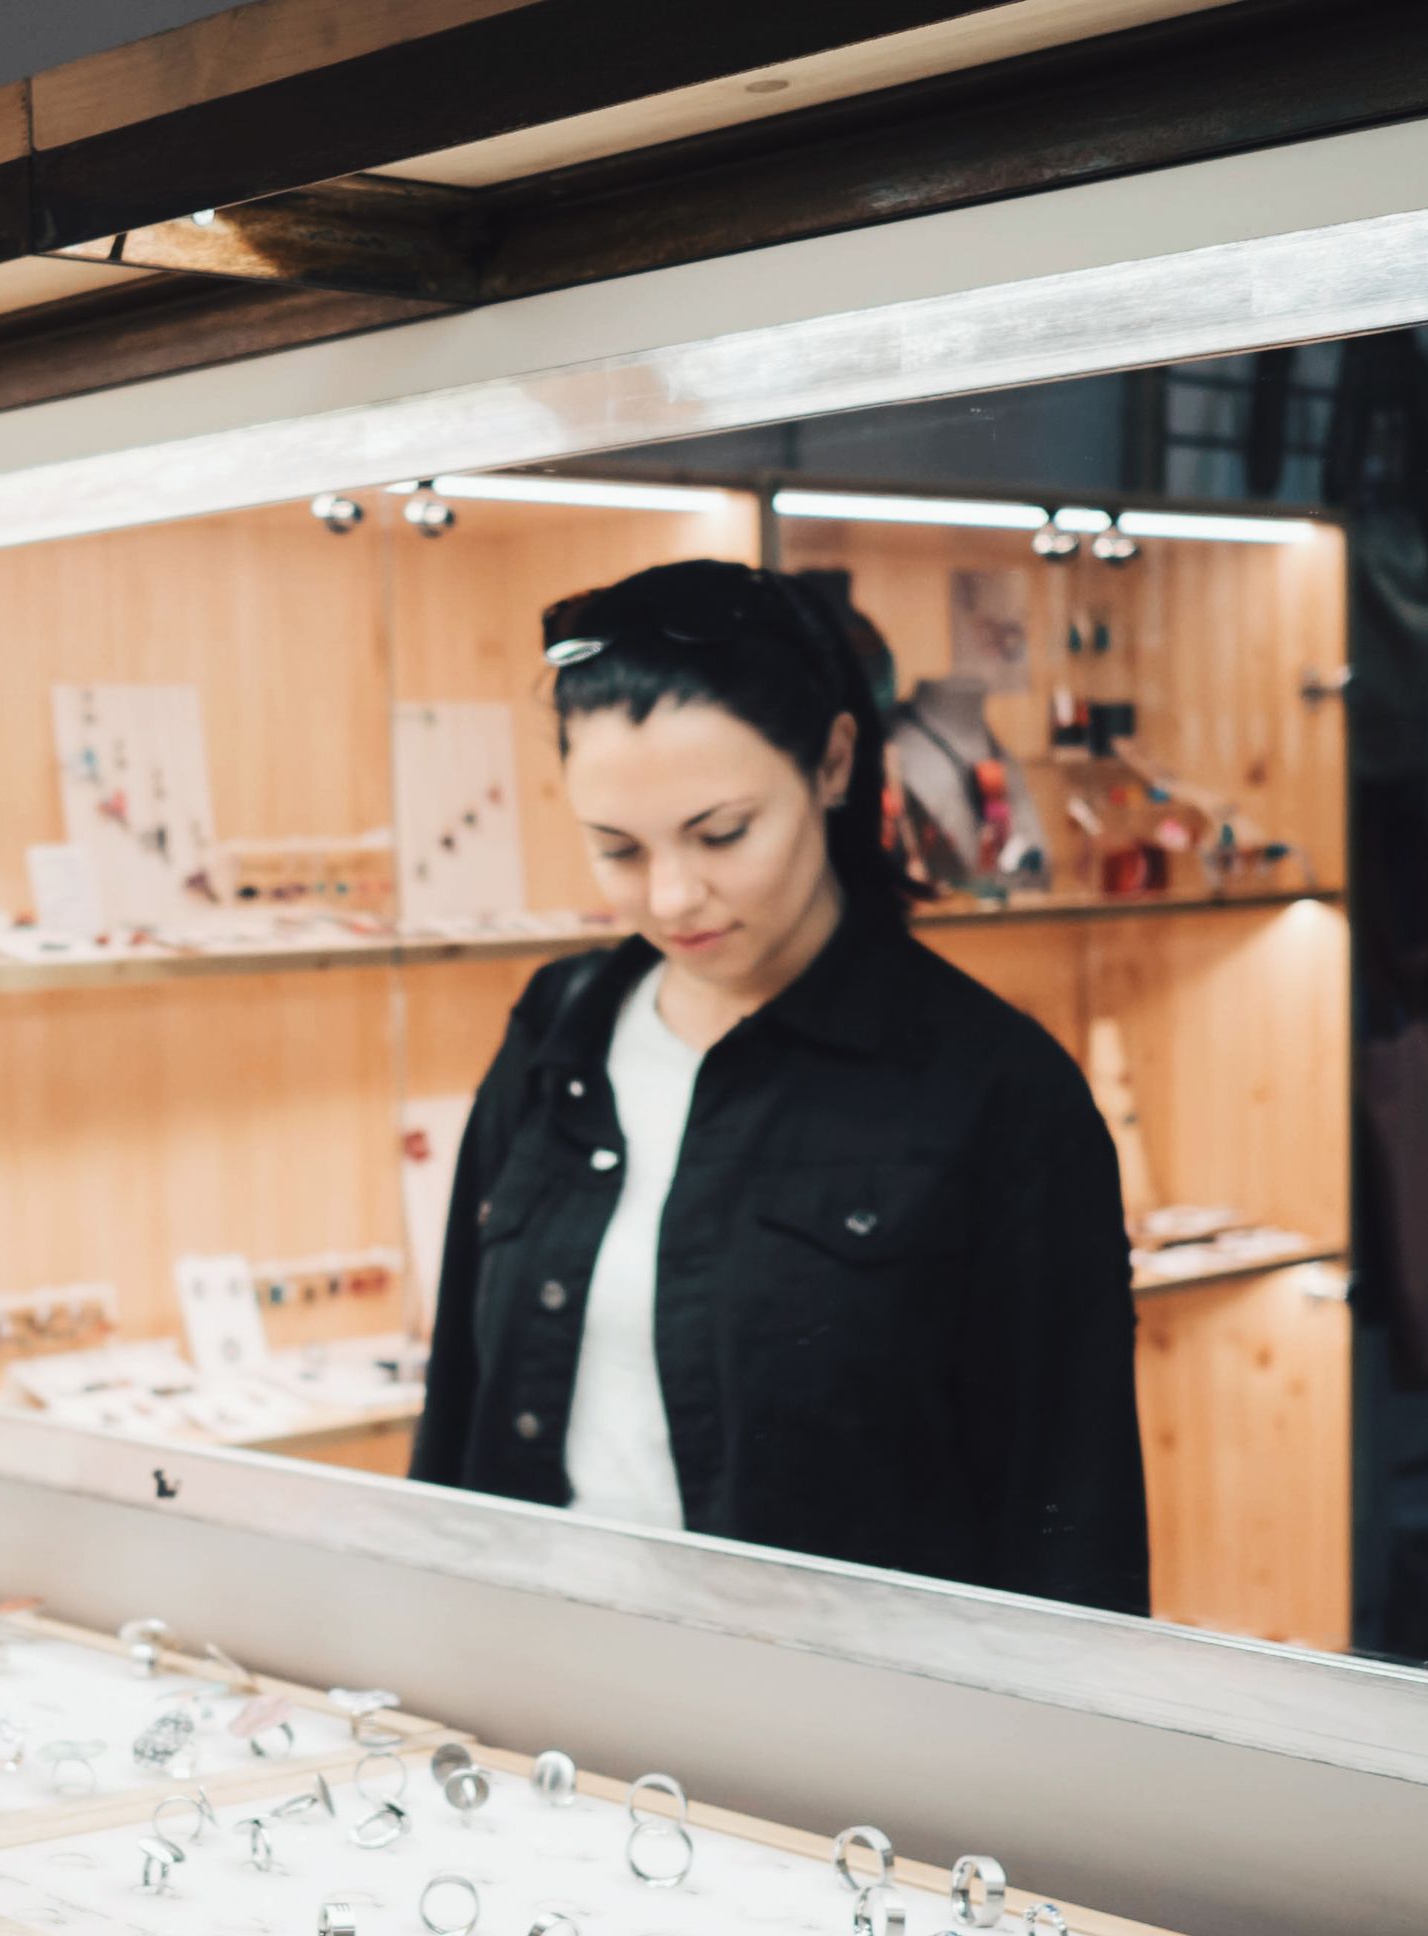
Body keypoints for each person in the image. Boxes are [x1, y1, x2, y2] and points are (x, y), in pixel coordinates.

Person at [410, 559, 1148, 1615]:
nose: (672, 896)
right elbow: (459, 1409)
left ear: (834, 761)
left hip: (840, 1735)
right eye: (617, 849)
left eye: (722, 835)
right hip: (542, 1694)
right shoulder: (555, 1034)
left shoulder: (992, 1092)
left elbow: (1071, 1519)